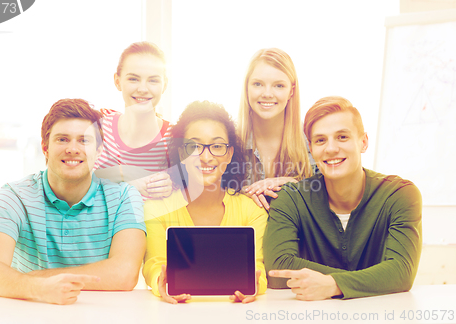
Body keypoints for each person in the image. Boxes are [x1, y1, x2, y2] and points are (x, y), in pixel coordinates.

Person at [0, 99, 147, 305]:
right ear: (45, 148)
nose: (73, 149)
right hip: (29, 314)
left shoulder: (124, 197)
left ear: (99, 151)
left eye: (84, 140)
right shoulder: (13, 197)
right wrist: (39, 289)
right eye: (62, 139)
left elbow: (125, 274)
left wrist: (36, 279)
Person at [263, 96, 422, 300]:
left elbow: (401, 273)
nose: (330, 148)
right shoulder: (290, 198)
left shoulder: (400, 195)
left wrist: (334, 284)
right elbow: (278, 270)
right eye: (320, 140)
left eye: (342, 137)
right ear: (311, 149)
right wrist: (378, 280)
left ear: (363, 142)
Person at [143, 101, 267, 304]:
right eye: (194, 146)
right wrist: (161, 281)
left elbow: (259, 269)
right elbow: (154, 264)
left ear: (229, 154)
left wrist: (255, 283)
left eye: (217, 146)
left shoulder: (252, 210)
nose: (206, 157)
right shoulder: (157, 208)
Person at [238, 48, 315, 210]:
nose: (267, 94)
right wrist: (243, 194)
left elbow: (329, 194)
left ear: (291, 91)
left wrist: (293, 184)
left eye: (278, 86)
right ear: (247, 88)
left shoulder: (311, 138)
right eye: (258, 84)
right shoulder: (229, 139)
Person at [93, 41, 172, 199]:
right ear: (117, 81)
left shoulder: (174, 138)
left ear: (164, 85)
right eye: (133, 79)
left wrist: (176, 186)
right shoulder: (98, 126)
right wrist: (123, 174)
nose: (143, 89)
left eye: (153, 80)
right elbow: (76, 181)